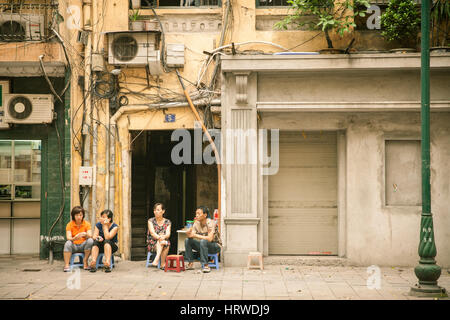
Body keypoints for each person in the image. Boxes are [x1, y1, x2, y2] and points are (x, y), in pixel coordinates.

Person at [185, 206, 221, 273]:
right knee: (188, 240)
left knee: (203, 241)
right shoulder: (196, 223)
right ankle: (190, 264)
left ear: (205, 215)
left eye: (199, 214)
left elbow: (210, 239)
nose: (197, 215)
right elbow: (192, 235)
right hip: (203, 246)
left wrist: (195, 235)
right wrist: (188, 233)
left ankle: (206, 265)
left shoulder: (210, 222)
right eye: (196, 214)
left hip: (215, 246)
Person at [63, 206, 93, 272]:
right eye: (77, 215)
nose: (79, 217)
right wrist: (74, 238)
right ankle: (66, 265)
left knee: (90, 241)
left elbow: (90, 235)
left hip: (83, 245)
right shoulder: (69, 224)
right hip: (74, 245)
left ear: (83, 215)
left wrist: (85, 235)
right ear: (73, 216)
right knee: (67, 243)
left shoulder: (87, 224)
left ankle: (85, 262)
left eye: (80, 215)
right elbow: (68, 237)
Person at [147, 203, 171, 269]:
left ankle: (156, 260)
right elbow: (152, 233)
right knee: (164, 242)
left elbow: (168, 234)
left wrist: (163, 237)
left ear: (163, 211)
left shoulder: (167, 222)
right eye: (155, 210)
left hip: (163, 240)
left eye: (158, 210)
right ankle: (162, 263)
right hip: (152, 243)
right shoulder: (150, 221)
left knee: (164, 242)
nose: (156, 212)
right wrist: (160, 237)